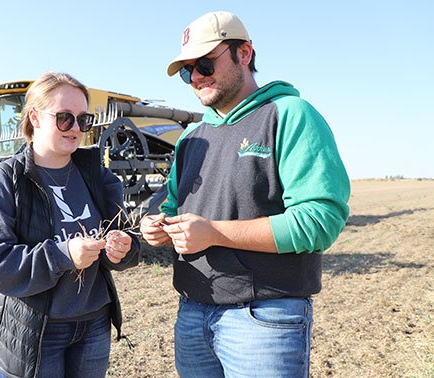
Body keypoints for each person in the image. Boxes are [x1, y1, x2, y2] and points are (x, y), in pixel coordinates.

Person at [140, 11, 350, 377]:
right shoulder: (192, 139)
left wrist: (214, 232)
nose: (197, 78)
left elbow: (319, 221)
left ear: (245, 53)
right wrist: (155, 227)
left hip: (263, 318)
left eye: (206, 64)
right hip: (191, 314)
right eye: (188, 72)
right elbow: (171, 204)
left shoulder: (289, 115)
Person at [0, 71, 140, 378]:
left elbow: (127, 240)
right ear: (34, 117)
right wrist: (62, 255)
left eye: (83, 120)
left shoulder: (98, 177)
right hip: (35, 329)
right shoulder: (6, 181)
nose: (76, 128)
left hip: (94, 326)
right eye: (64, 118)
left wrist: (123, 247)